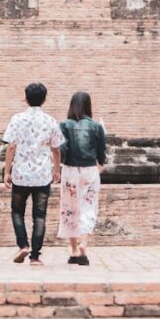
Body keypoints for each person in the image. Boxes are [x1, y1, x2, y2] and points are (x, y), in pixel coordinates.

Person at [3, 82, 64, 266]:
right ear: (44, 99)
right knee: (40, 216)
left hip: (21, 174)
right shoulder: (51, 121)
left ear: (26, 98)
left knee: (17, 212)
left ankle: (23, 245)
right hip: (42, 175)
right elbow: (56, 148)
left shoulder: (17, 119)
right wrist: (56, 170)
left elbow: (11, 146)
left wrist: (7, 171)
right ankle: (35, 256)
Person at [58, 91, 107, 266]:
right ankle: (84, 244)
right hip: (89, 170)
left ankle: (73, 250)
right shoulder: (96, 126)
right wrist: (100, 165)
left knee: (69, 209)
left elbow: (61, 150)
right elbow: (102, 153)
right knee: (88, 207)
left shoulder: (63, 125)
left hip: (70, 170)